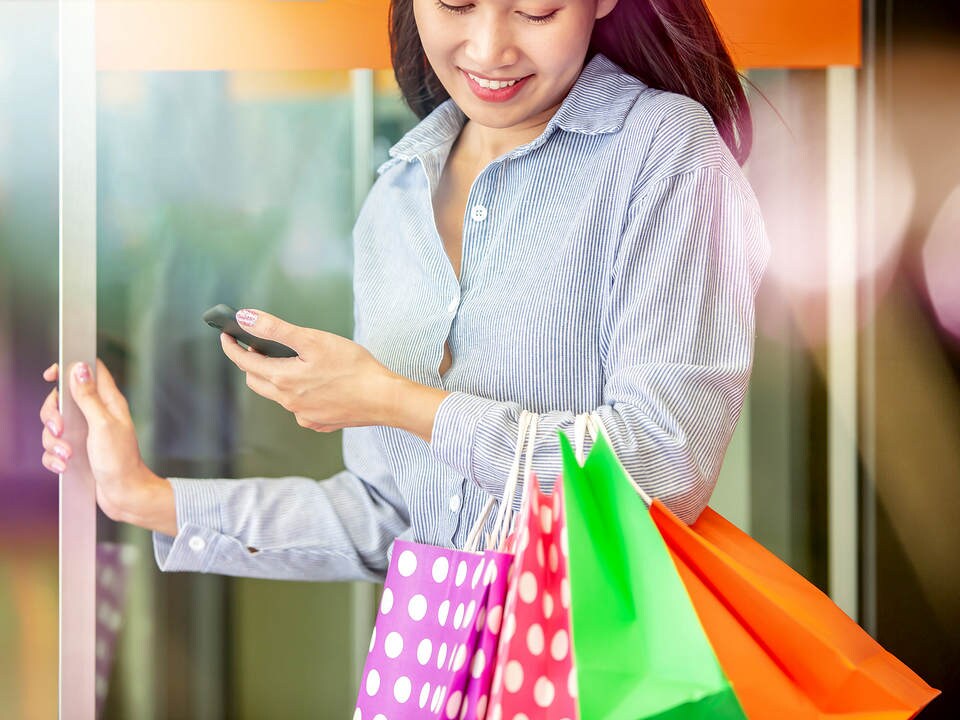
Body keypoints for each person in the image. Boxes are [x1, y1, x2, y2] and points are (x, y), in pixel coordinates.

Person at [39, 0, 768, 581]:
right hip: (436, 680)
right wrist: (144, 496)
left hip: (597, 681)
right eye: (455, 3)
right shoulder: (396, 196)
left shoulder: (665, 154)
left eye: (536, 11)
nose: (490, 48)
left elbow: (663, 473)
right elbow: (388, 518)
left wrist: (396, 402)